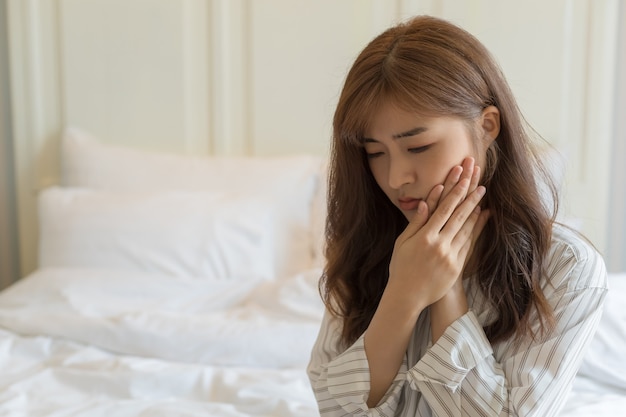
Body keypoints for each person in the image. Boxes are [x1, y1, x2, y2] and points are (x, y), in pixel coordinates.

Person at [307, 15, 607, 417]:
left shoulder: (567, 269)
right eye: (374, 153)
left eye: (418, 147)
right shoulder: (362, 246)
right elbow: (336, 410)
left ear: (487, 126)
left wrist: (444, 287)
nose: (396, 178)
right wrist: (403, 293)